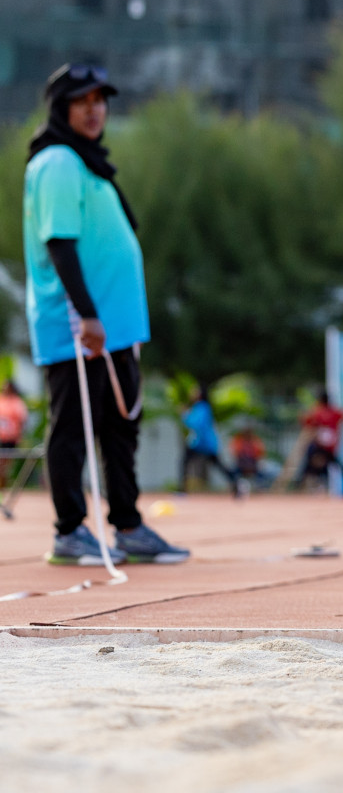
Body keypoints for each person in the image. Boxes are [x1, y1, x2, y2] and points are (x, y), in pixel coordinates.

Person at [24, 64, 187, 565]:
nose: (95, 110)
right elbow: (60, 243)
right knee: (72, 426)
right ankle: (69, 531)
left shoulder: (88, 163)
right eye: (82, 101)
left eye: (100, 100)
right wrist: (89, 316)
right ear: (61, 108)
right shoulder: (57, 162)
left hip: (114, 327)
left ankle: (129, 525)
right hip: (78, 326)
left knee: (121, 426)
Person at [291, 391, 343, 494]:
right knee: (332, 465)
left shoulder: (318, 412)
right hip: (329, 446)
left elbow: (306, 422)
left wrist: (304, 416)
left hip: (322, 446)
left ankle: (305, 482)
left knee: (312, 459)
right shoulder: (335, 412)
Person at [180, 383, 244, 497]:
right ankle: (236, 482)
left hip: (201, 443)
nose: (192, 393)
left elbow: (195, 424)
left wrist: (185, 414)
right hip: (205, 443)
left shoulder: (202, 407)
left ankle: (182, 491)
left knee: (186, 462)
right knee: (218, 466)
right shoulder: (202, 407)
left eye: (195, 391)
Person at [0, 380, 29, 449]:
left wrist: (20, 434)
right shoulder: (1, 400)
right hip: (1, 435)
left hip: (11, 437)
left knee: (8, 455)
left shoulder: (17, 402)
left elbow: (22, 419)